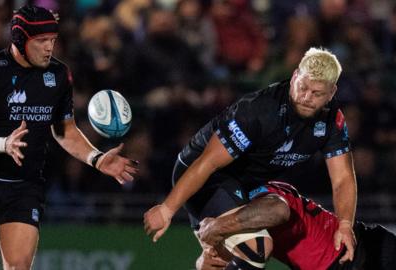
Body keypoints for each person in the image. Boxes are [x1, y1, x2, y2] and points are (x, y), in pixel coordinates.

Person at [0, 5, 138, 270]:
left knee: (19, 266)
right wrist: (3, 143)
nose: (49, 47)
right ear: (20, 39)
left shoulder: (59, 75)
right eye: (41, 41)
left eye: (52, 40)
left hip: (25, 184)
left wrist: (96, 159)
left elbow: (65, 131)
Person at [144, 47, 357, 267]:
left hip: (246, 183)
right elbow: (207, 163)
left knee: (279, 210)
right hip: (207, 176)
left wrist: (344, 225)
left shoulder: (332, 121)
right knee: (258, 248)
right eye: (302, 87)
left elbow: (342, 178)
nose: (306, 97)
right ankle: (212, 233)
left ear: (331, 93)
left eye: (317, 93)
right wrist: (167, 208)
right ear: (294, 76)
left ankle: (213, 239)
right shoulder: (260, 111)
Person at [196, 181, 396, 270]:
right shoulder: (262, 190)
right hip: (361, 246)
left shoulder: (255, 196)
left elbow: (276, 211)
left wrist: (215, 226)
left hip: (358, 253)